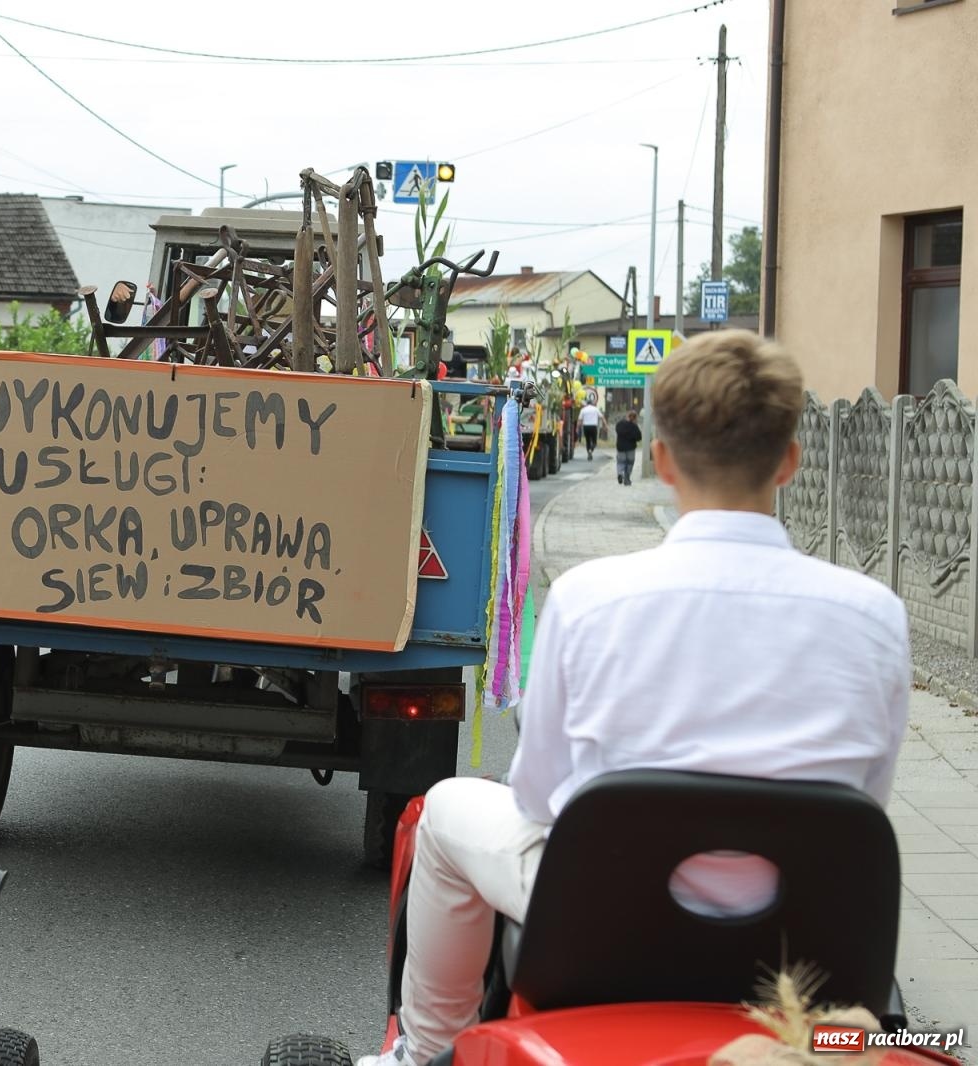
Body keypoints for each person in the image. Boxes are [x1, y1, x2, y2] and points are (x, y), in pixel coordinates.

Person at [359, 330, 909, 1066]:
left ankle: (425, 1051)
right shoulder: (875, 614)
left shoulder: (591, 599)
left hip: (605, 919)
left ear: (662, 460)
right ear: (789, 461)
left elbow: (541, 799)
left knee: (450, 808)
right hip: (804, 940)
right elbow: (863, 800)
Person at [614, 408, 643, 485]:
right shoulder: (634, 427)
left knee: (620, 462)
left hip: (620, 447)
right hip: (631, 448)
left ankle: (620, 474)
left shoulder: (620, 424)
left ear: (627, 415)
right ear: (635, 418)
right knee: (630, 463)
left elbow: (617, 430)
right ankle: (627, 478)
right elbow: (639, 437)